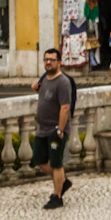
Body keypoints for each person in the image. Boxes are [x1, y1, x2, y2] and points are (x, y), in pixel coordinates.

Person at [31, 48, 77, 209]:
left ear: (59, 62)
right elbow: (36, 88)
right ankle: (62, 181)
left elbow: (65, 107)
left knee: (56, 164)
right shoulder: (46, 78)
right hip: (42, 128)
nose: (48, 62)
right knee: (39, 160)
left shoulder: (63, 82)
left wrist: (60, 130)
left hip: (56, 129)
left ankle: (57, 197)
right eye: (46, 60)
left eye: (51, 59)